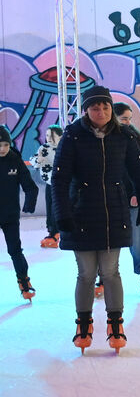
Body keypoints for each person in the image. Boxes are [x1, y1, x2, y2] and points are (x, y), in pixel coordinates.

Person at [52, 86, 140, 355]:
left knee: (110, 272)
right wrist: (61, 213)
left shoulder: (125, 136)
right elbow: (60, 180)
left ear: (111, 108)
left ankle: (115, 324)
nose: (101, 112)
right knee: (86, 274)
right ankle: (83, 325)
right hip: (80, 212)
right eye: (95, 107)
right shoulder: (73, 136)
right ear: (86, 110)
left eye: (105, 107)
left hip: (114, 212)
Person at [113, 103, 140, 295]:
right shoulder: (102, 139)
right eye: (124, 119)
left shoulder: (134, 139)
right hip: (107, 198)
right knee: (105, 239)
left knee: (137, 235)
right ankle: (103, 276)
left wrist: (136, 193)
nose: (128, 122)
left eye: (130, 119)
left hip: (130, 196)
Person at [0, 127, 38, 302]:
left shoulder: (15, 160)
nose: (2, 149)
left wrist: (29, 205)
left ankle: (24, 281)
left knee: (15, 250)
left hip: (9, 214)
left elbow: (30, 186)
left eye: (5, 145)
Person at [33, 124, 62, 248]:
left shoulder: (65, 148)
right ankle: (52, 232)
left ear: (60, 136)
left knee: (58, 208)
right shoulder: (44, 148)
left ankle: (58, 232)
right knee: (50, 207)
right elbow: (34, 162)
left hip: (63, 183)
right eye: (47, 135)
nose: (49, 138)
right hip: (50, 183)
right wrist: (38, 160)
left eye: (52, 136)